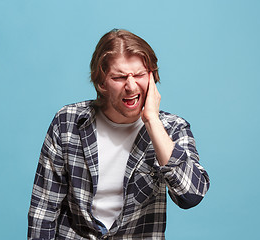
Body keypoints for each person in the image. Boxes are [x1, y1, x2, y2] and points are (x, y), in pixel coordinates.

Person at [28, 29, 210, 239]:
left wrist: (152, 121)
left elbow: (191, 196)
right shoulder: (68, 122)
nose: (131, 86)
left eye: (140, 75)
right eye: (119, 77)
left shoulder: (172, 129)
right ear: (102, 82)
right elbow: (44, 209)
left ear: (152, 78)